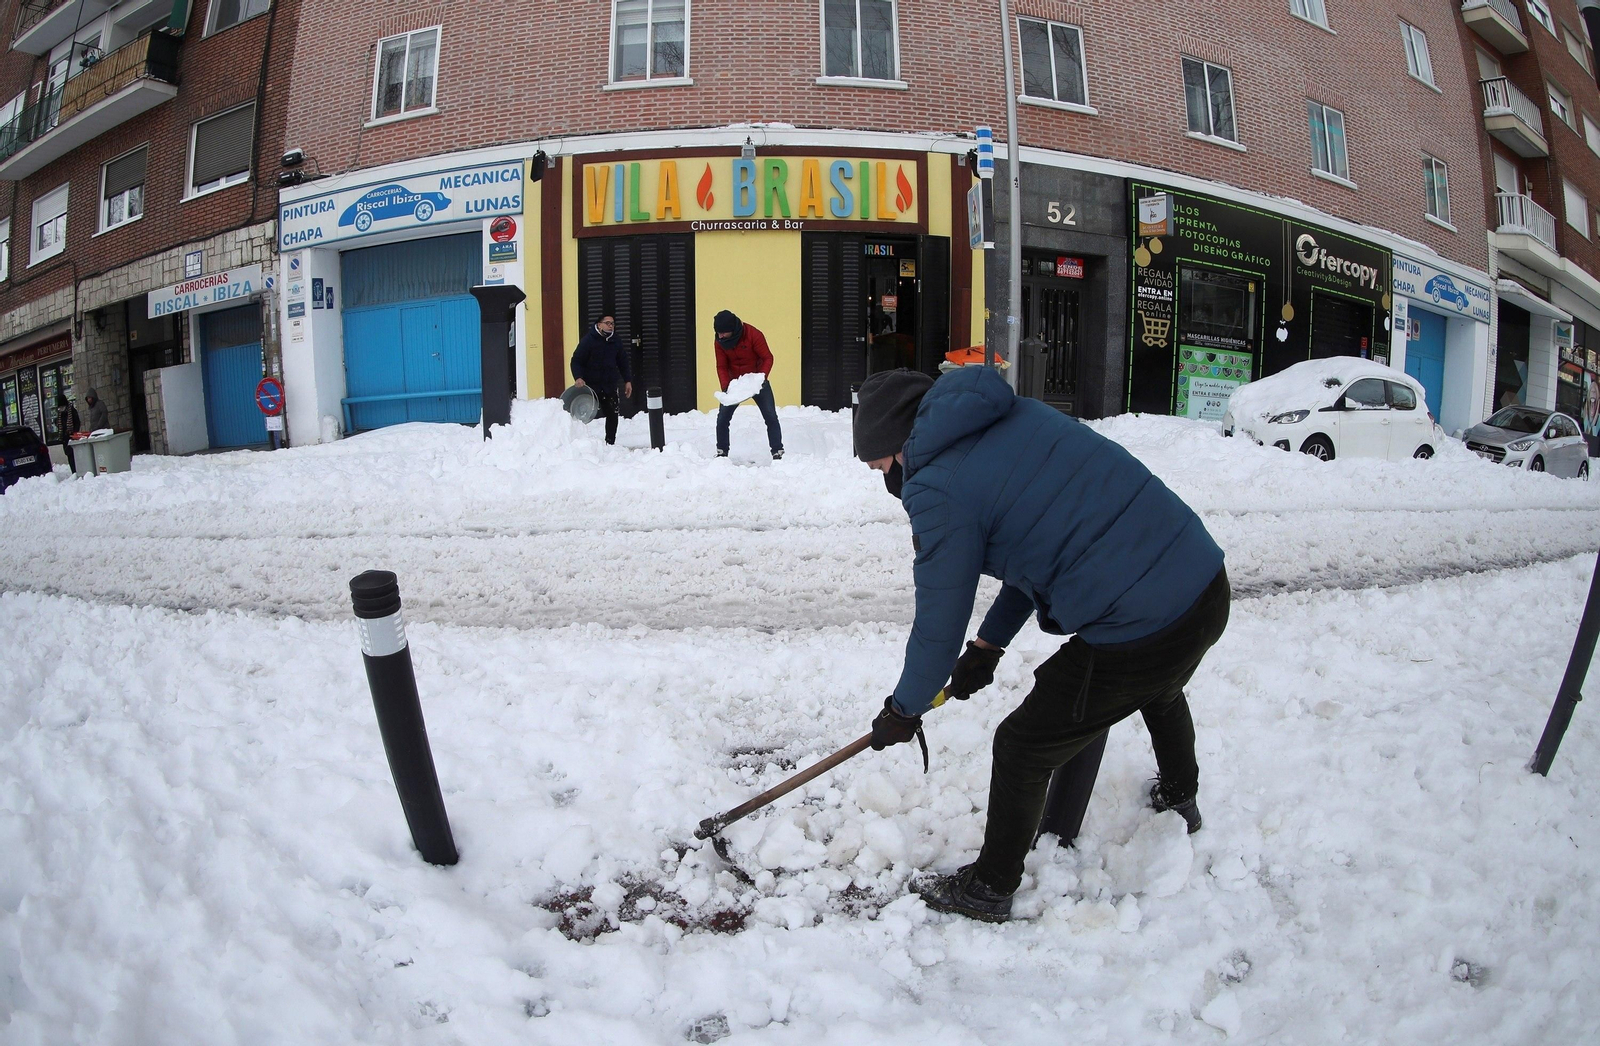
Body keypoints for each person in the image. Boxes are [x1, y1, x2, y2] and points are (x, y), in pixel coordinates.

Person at [854, 366, 1230, 923]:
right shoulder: (1015, 417)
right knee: (1159, 687)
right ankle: (1181, 796)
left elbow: (938, 623)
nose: (882, 476)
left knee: (1022, 746)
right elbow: (1034, 552)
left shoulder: (938, 488)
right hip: (1202, 585)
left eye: (878, 464)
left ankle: (989, 888)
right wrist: (988, 646)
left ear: (896, 440)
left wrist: (903, 709)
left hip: (1143, 623)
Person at [713, 310, 783, 460]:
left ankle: (777, 450)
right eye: (718, 332)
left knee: (770, 416)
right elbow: (721, 366)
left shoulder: (753, 334)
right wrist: (726, 387)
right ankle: (722, 451)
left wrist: (760, 378)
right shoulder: (719, 342)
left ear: (732, 329)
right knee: (722, 418)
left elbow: (768, 358)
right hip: (735, 383)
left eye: (723, 333)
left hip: (756, 381)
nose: (720, 336)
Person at [570, 315, 632, 445]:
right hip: (591, 385)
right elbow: (576, 361)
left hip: (609, 384)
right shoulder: (589, 340)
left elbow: (623, 362)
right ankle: (582, 444)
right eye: (607, 323)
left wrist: (627, 380)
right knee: (586, 414)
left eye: (612, 323)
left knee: (613, 413)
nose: (610, 326)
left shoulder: (615, 340)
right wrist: (578, 377)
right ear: (599, 325)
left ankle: (610, 443)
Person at [54, 392, 80, 473]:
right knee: (69, 455)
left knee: (74, 455)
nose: (61, 409)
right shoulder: (60, 414)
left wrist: (74, 433)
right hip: (65, 438)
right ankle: (74, 472)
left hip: (72, 436)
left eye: (62, 407)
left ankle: (77, 471)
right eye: (60, 407)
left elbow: (77, 422)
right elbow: (59, 424)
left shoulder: (71, 411)